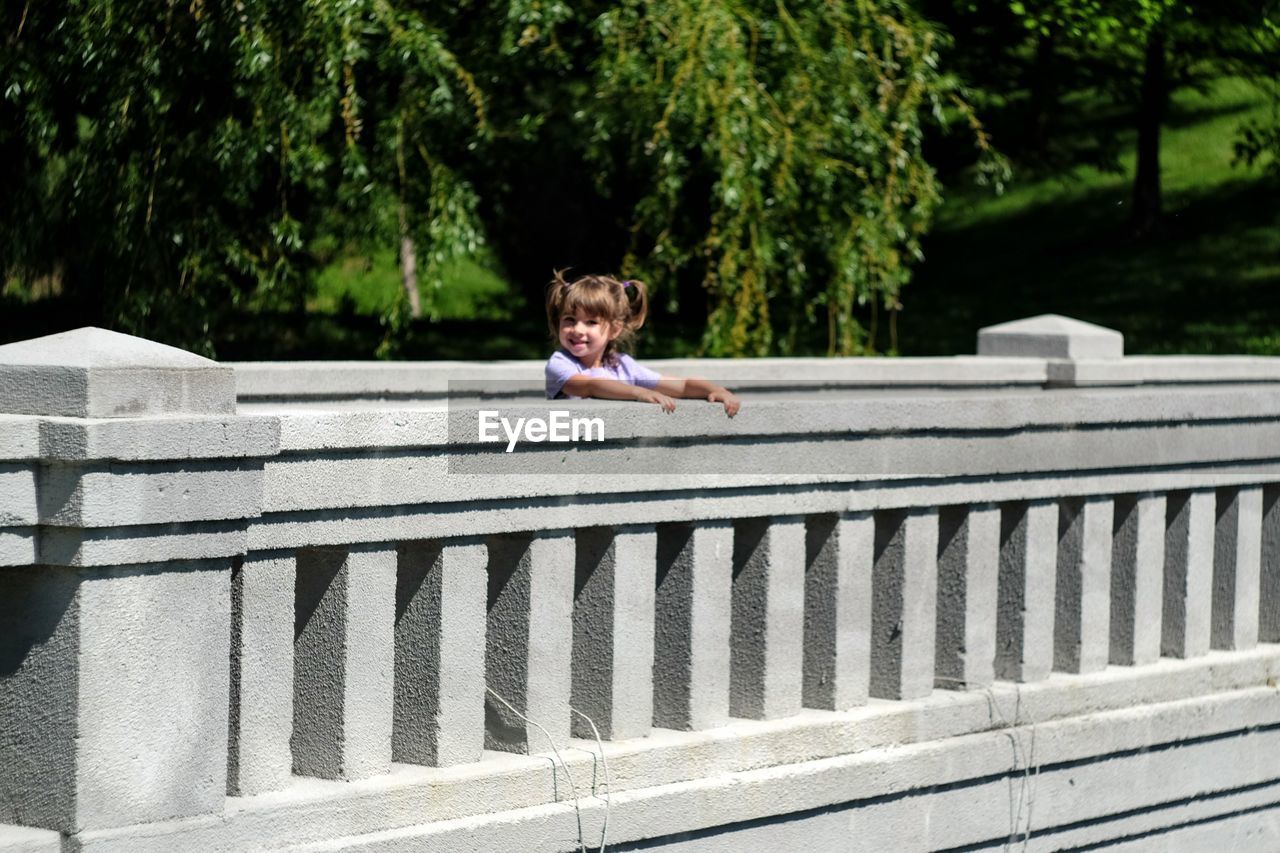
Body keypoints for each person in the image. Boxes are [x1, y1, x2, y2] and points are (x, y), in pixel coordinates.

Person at [544, 271, 741, 416]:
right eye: (569, 319)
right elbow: (591, 386)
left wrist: (715, 390)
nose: (578, 329)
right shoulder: (560, 364)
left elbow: (680, 385)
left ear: (615, 329)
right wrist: (638, 392)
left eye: (591, 322)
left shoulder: (622, 366)